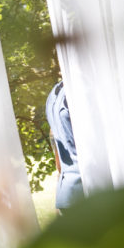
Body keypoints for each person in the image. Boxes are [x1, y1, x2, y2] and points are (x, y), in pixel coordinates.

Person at [45, 81, 84, 214]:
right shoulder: (80, 89)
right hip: (84, 193)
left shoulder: (55, 93)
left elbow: (59, 162)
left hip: (66, 192)